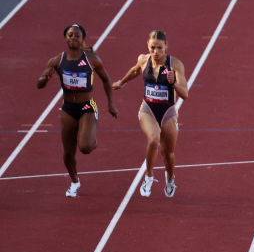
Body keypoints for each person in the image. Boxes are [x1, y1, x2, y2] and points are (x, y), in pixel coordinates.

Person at [36, 23, 117, 197]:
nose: (73, 37)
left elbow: (106, 79)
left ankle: (92, 137)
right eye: (70, 35)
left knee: (86, 147)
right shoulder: (57, 61)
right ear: (65, 38)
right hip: (68, 109)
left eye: (77, 35)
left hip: (87, 107)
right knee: (67, 153)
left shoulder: (92, 60)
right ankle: (74, 182)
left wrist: (111, 103)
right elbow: (39, 85)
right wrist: (44, 77)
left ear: (82, 40)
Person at [112, 30, 189, 198]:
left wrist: (173, 82)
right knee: (154, 139)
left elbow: (185, 94)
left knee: (168, 154)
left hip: (168, 111)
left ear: (166, 47)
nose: (156, 51)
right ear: (148, 46)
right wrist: (122, 82)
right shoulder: (143, 59)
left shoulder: (175, 65)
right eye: (152, 47)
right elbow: (135, 70)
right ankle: (148, 176)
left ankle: (170, 178)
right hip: (148, 109)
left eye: (159, 48)